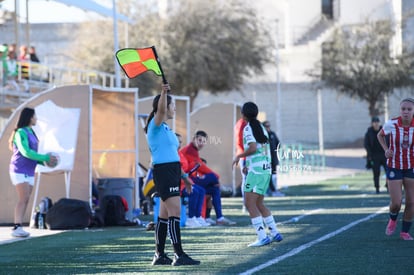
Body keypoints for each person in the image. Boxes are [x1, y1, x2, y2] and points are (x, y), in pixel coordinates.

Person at [144, 83, 200, 266]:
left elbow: (173, 155)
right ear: (164, 106)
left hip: (172, 171)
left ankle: (159, 255)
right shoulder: (156, 123)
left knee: (164, 216)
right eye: (172, 104)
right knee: (175, 211)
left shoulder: (165, 128)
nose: (174, 108)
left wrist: (184, 177)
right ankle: (179, 254)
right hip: (164, 172)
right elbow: (159, 109)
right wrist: (163, 92)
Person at [233, 102, 283, 247]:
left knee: (249, 204)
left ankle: (262, 237)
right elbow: (262, 149)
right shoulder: (261, 127)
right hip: (265, 170)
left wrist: (239, 156)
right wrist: (247, 165)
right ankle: (274, 233)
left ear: (243, 115)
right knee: (259, 203)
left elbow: (253, 148)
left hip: (257, 171)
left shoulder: (248, 128)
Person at [8, 107, 58, 238]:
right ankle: (16, 226)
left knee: (26, 199)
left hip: (30, 170)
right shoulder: (20, 132)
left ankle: (19, 227)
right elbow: (25, 152)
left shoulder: (31, 132)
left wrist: (44, 162)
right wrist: (45, 158)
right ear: (30, 117)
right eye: (35, 116)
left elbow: (33, 154)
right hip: (18, 169)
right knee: (23, 198)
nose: (36, 118)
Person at [180, 130, 236, 225]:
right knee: (211, 179)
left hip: (190, 178)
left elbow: (199, 166)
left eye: (203, 141)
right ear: (194, 139)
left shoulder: (193, 150)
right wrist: (215, 177)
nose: (201, 143)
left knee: (214, 189)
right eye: (199, 140)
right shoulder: (189, 150)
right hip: (185, 180)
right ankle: (194, 218)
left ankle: (217, 217)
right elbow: (201, 167)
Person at [377, 97, 414, 241]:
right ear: (400, 110)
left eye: (409, 109)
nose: (406, 112)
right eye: (403, 109)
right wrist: (386, 149)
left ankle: (404, 232)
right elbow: (380, 135)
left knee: (411, 202)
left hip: (411, 166)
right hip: (394, 165)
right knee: (397, 203)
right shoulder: (392, 124)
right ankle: (393, 219)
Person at [176, 133, 210, 227]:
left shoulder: (180, 154)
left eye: (180, 142)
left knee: (201, 190)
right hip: (178, 185)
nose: (179, 144)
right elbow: (178, 170)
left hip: (185, 182)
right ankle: (190, 218)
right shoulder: (173, 154)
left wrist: (193, 167)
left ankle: (197, 217)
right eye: (177, 142)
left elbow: (185, 168)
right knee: (194, 192)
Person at [364, 116, 387, 194]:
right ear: (372, 123)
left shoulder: (384, 131)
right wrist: (369, 155)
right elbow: (366, 144)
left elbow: (388, 141)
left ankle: (388, 186)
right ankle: (377, 187)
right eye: (374, 122)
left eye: (377, 122)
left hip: (384, 155)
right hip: (374, 156)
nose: (376, 124)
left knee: (388, 171)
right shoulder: (369, 132)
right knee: (376, 173)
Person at [262, 121, 284, 196]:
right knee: (267, 175)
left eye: (269, 126)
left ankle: (274, 190)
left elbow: (278, 144)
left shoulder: (272, 134)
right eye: (266, 126)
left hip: (273, 159)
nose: (268, 128)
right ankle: (269, 191)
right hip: (266, 159)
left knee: (273, 175)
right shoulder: (262, 136)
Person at [234, 118, 247, 211]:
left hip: (245, 155)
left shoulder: (242, 123)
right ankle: (246, 204)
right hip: (246, 156)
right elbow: (240, 141)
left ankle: (248, 203)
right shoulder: (243, 124)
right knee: (247, 180)